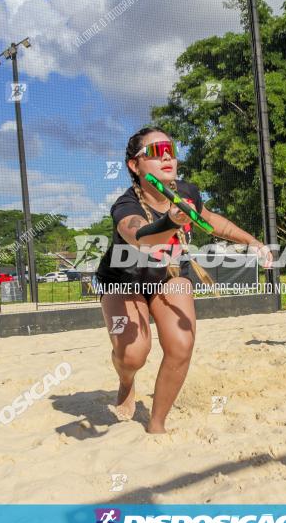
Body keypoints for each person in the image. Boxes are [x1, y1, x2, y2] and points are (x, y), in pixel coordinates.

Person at [95, 127, 272, 433]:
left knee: (181, 344)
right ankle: (126, 382)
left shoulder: (186, 192)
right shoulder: (126, 205)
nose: (166, 155)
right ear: (135, 166)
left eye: (170, 149)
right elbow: (141, 238)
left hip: (169, 275)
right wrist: (172, 220)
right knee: (133, 354)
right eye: (154, 151)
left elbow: (211, 220)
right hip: (123, 279)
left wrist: (252, 241)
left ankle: (157, 424)